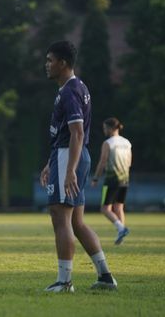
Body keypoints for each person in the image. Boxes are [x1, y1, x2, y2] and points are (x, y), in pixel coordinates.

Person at [40, 40, 117, 292]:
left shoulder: (70, 90)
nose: (47, 65)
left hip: (69, 156)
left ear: (63, 63)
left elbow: (77, 133)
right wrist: (51, 163)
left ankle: (65, 282)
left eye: (50, 60)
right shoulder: (76, 87)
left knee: (60, 217)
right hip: (68, 156)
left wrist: (68, 168)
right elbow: (70, 134)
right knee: (77, 222)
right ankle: (105, 276)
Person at [91, 117, 132, 244]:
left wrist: (96, 178)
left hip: (111, 180)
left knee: (105, 209)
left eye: (104, 128)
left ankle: (121, 228)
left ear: (110, 128)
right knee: (119, 207)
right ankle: (121, 236)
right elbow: (129, 162)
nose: (104, 130)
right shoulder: (127, 143)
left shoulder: (108, 143)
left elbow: (102, 162)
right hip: (125, 179)